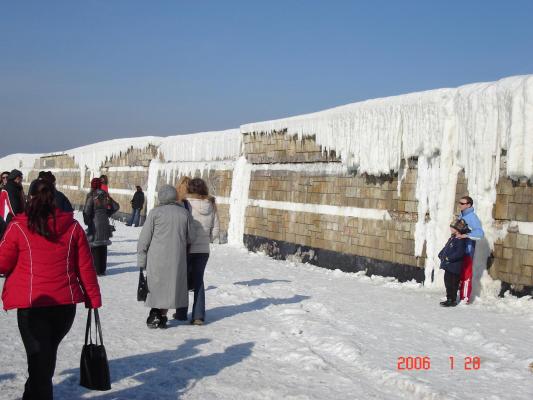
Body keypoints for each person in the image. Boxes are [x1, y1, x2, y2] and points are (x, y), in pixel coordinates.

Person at [0, 180, 101, 400]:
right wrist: (93, 298)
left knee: (38, 360)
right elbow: (85, 267)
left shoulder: (18, 226)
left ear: (29, 198)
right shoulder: (72, 227)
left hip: (32, 304)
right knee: (45, 357)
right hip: (64, 306)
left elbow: (2, 263)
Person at [137, 185, 194, 329]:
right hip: (177, 258)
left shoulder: (155, 213)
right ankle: (162, 315)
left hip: (156, 257)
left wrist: (141, 259)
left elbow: (144, 239)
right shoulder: (184, 213)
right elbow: (191, 237)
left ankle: (155, 314)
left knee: (156, 287)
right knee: (170, 288)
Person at [181, 178, 220, 325]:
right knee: (199, 281)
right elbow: (216, 229)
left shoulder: (186, 203)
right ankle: (198, 316)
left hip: (187, 247)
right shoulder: (211, 204)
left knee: (183, 278)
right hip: (204, 250)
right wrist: (207, 239)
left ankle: (181, 312)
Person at [456, 196, 484, 304]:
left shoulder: (472, 217)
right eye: (459, 203)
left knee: (466, 274)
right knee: (457, 273)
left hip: (467, 250)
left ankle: (465, 298)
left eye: (462, 203)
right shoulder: (462, 215)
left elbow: (480, 234)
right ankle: (454, 295)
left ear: (469, 205)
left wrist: (466, 235)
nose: (460, 205)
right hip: (458, 249)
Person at [83, 178, 113, 276]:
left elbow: (87, 211)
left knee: (95, 245)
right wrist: (107, 213)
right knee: (103, 245)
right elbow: (116, 206)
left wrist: (87, 221)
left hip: (95, 222)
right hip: (104, 222)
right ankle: (102, 269)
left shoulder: (91, 195)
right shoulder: (105, 195)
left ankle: (96, 269)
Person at [438, 219, 469, 307]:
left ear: (458, 229)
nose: (451, 228)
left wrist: (449, 258)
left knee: (453, 283)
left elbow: (459, 253)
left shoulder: (460, 240)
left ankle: (453, 300)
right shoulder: (452, 238)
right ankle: (449, 298)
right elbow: (446, 248)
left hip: (454, 266)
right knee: (447, 282)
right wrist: (441, 254)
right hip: (448, 266)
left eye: (452, 227)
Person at [0, 169, 26, 239]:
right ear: (17, 178)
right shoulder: (9, 188)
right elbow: (13, 207)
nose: (21, 180)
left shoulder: (17, 188)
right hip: (8, 220)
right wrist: (21, 219)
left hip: (15, 219)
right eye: (21, 178)